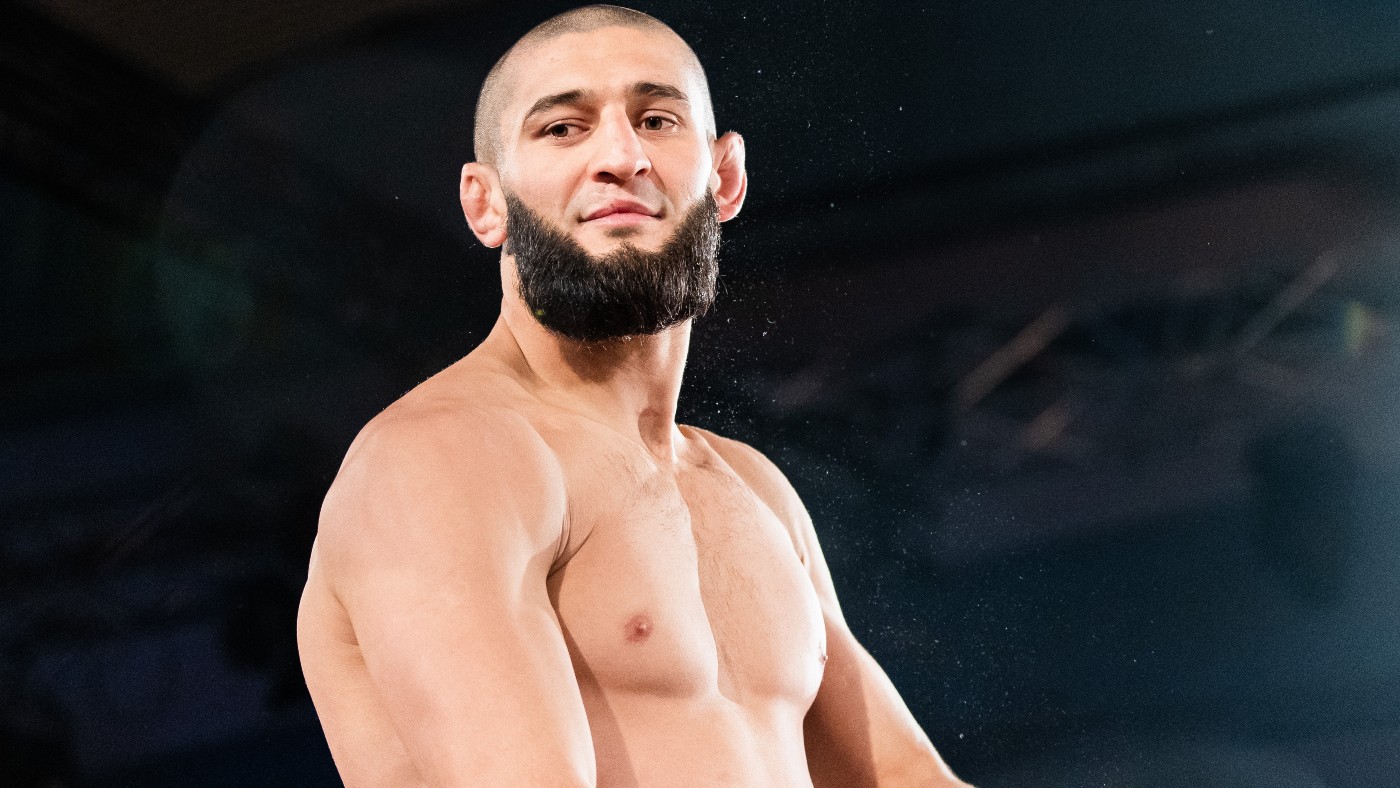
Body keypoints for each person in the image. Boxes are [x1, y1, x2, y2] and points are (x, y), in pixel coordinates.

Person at [296, 5, 971, 786]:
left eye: (655, 120)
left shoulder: (751, 487)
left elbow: (907, 778)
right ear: (486, 203)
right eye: (563, 128)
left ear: (724, 176)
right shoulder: (442, 459)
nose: (621, 156)